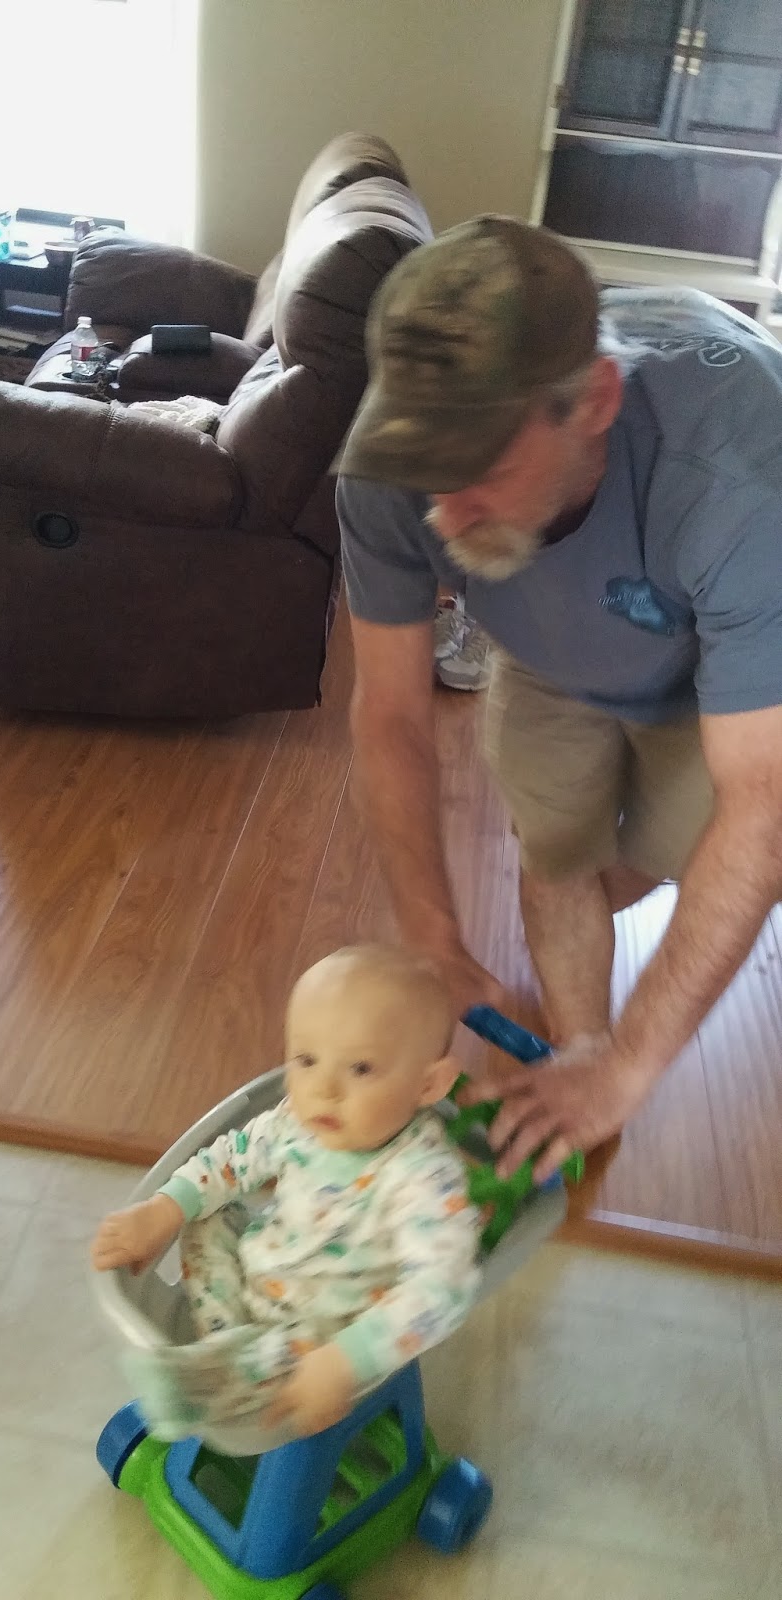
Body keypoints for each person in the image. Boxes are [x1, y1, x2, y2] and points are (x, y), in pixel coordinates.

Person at [335, 215, 782, 1185]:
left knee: (682, 851)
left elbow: (763, 804)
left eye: (482, 468)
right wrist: (432, 934)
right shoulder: (395, 459)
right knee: (558, 845)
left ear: (593, 404)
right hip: (547, 647)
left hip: (719, 666)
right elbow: (392, 713)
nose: (442, 516)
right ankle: (571, 1051)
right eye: (427, 472)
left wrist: (633, 1067)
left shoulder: (743, 479)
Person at [91, 944, 481, 1439]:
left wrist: (346, 1360)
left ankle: (208, 1378)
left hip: (323, 1333)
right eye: (307, 1060)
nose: (324, 1089)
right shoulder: (296, 1122)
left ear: (429, 1085)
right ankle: (223, 1347)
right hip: (257, 1278)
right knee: (207, 1214)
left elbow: (443, 1286)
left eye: (361, 1069)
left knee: (281, 1358)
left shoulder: (422, 1175)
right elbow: (230, 1160)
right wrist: (164, 1209)